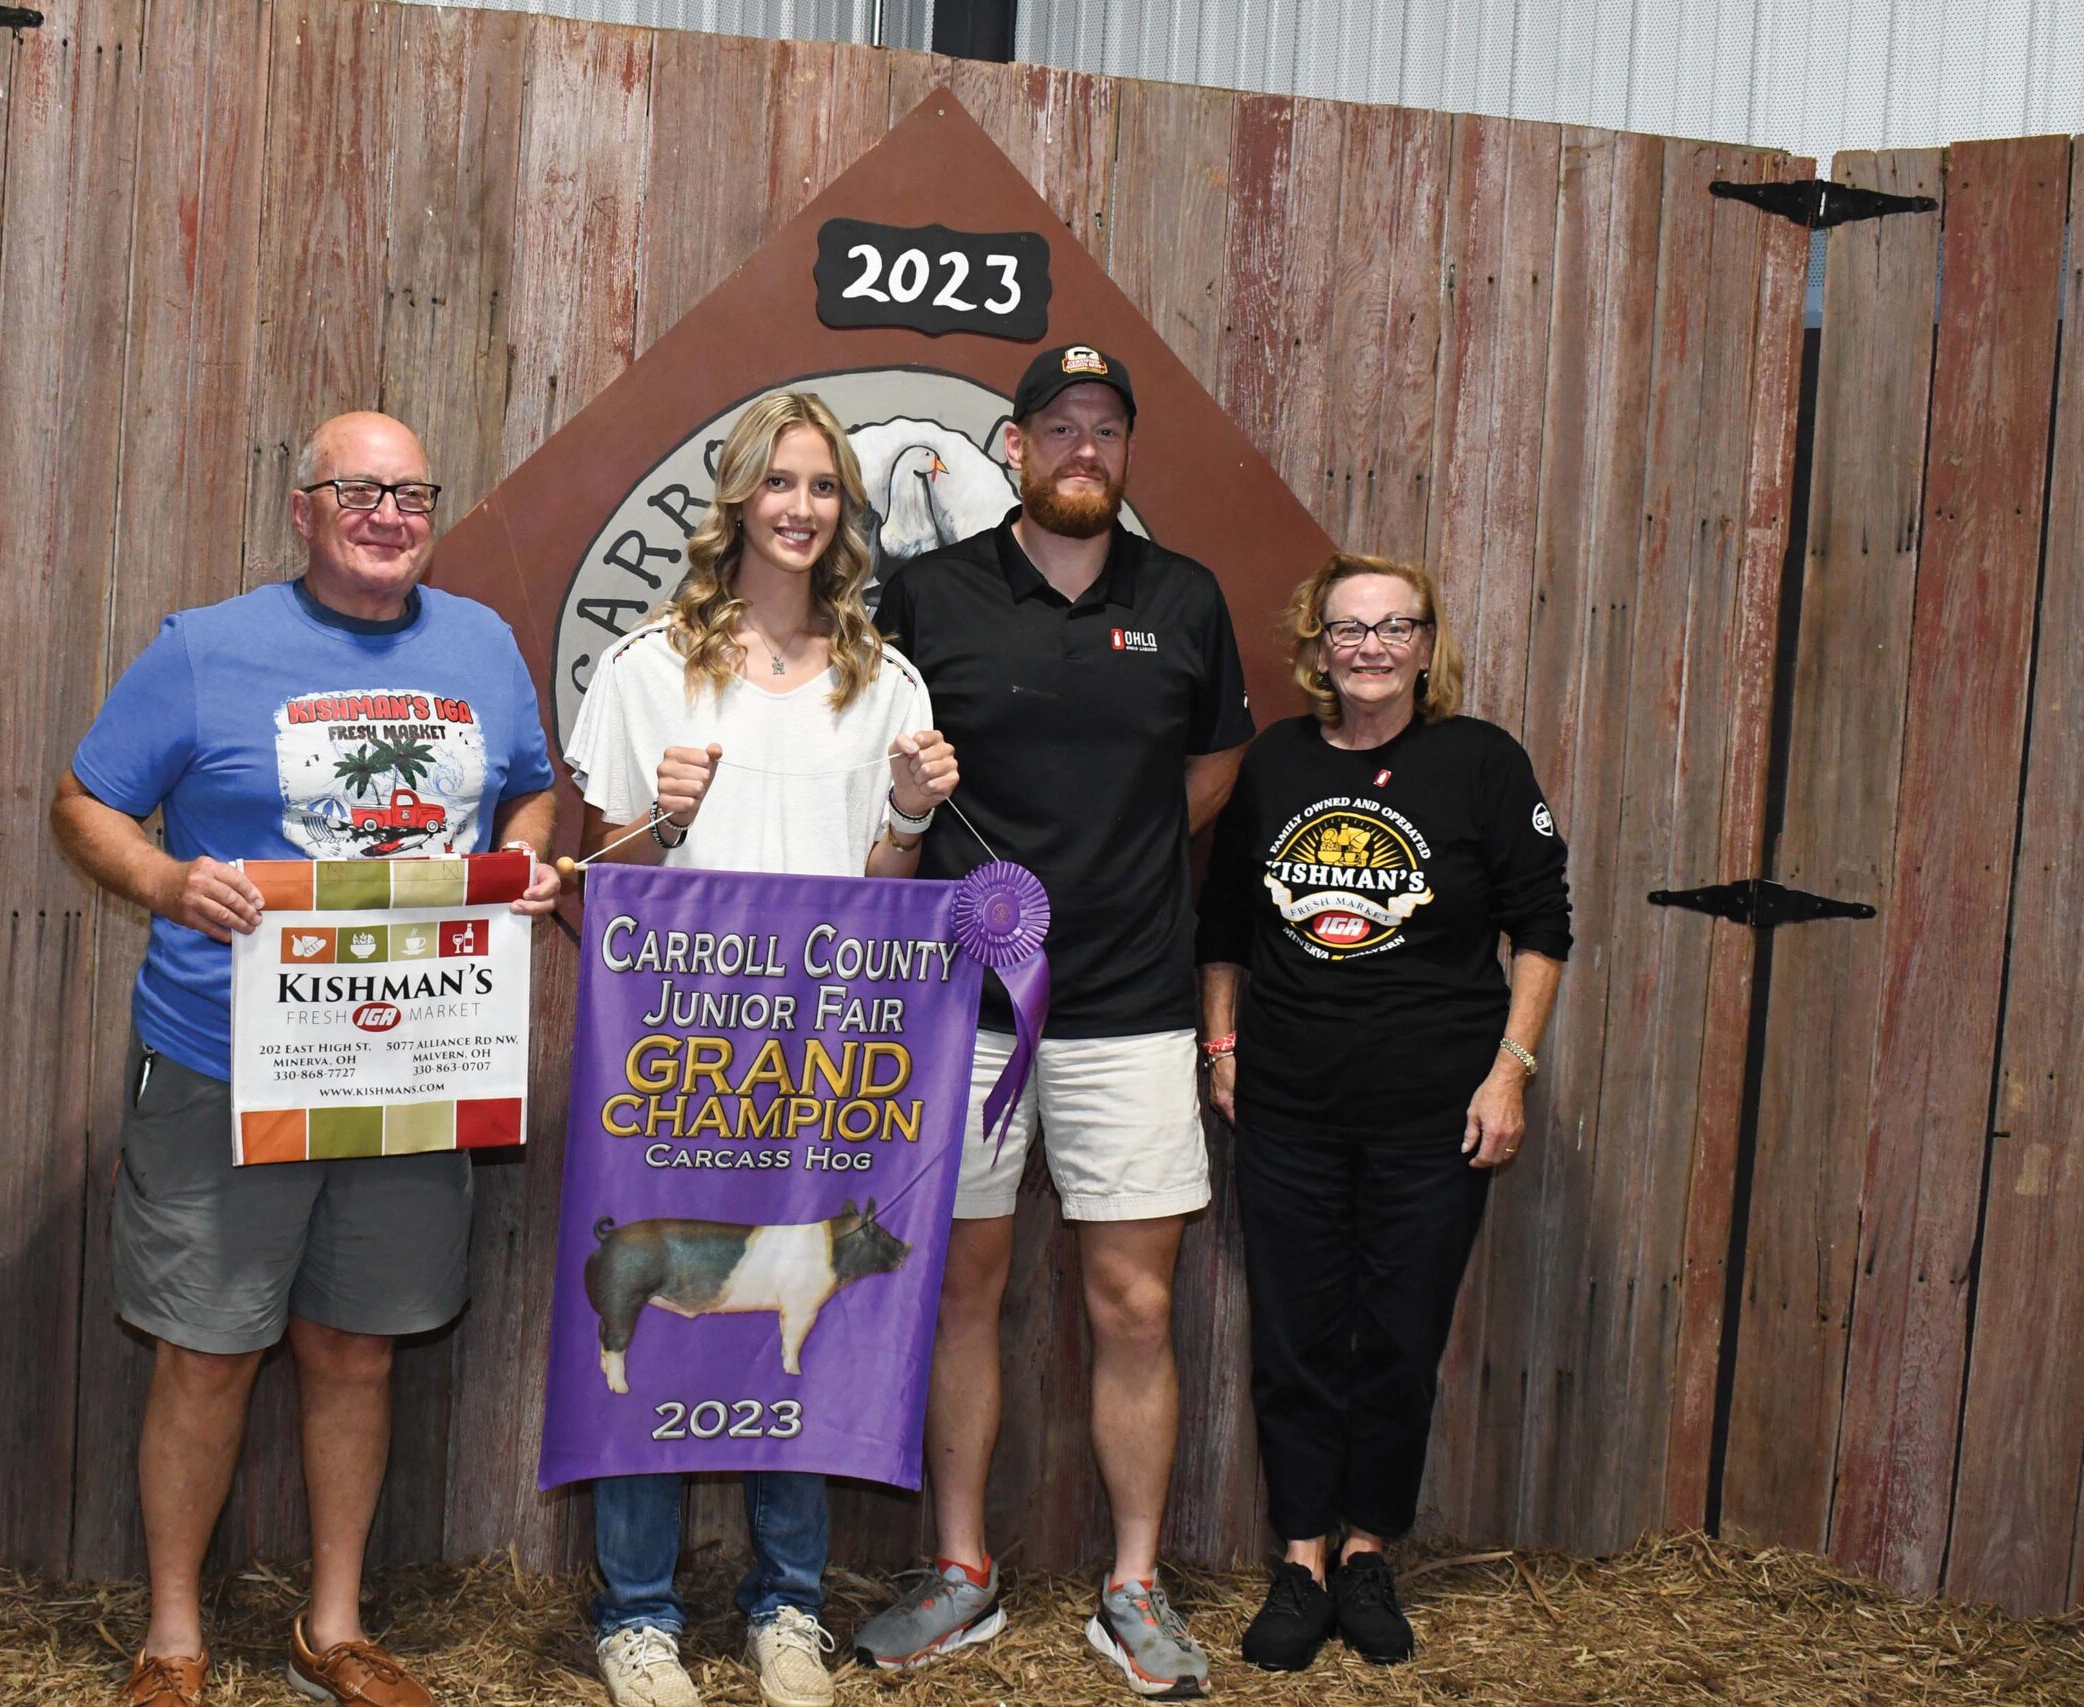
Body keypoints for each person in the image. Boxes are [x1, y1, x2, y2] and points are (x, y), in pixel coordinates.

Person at [52, 411, 562, 1707]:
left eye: (411, 494)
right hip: (228, 1061)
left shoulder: (482, 645)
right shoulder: (203, 647)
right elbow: (85, 801)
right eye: (359, 492)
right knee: (206, 1349)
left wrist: (522, 859)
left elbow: (528, 785)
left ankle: (334, 1626)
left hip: (411, 1063)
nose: (389, 516)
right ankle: (173, 1637)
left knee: (356, 1347)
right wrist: (168, 880)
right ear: (303, 509)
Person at [854, 343, 1253, 1699]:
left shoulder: (1183, 595)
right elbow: (884, 771)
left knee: (1133, 1303)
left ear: (1127, 451)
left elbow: (1214, 760)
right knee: (958, 1289)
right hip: (957, 1006)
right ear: (1015, 446)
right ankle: (961, 1568)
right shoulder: (930, 593)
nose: (1086, 448)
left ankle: (1131, 1586)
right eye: (1060, 426)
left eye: (1108, 428)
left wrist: (1122, 860)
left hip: (1131, 1006)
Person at [561, 390, 959, 1707]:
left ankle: (787, 1603)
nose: (800, 507)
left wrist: (910, 811)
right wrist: (665, 823)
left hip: (822, 1061)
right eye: (778, 482)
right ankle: (637, 1614)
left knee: (805, 1311)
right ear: (736, 499)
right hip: (675, 1057)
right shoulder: (645, 667)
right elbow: (596, 894)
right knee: (660, 1309)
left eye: (823, 486)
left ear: (847, 511)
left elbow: (890, 895)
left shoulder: (884, 679)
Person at [1195, 552, 1569, 1672]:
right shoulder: (1277, 762)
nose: (1370, 647)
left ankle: (1367, 1554)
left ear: (1426, 644)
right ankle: (1301, 1561)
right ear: (1317, 647)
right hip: (1289, 1109)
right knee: (1294, 1337)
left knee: (1399, 1341)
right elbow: (1225, 922)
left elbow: (1543, 926)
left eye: (1393, 627)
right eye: (1349, 628)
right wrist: (1222, 1045)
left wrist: (1510, 1072)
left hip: (1433, 1116)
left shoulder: (1482, 761)